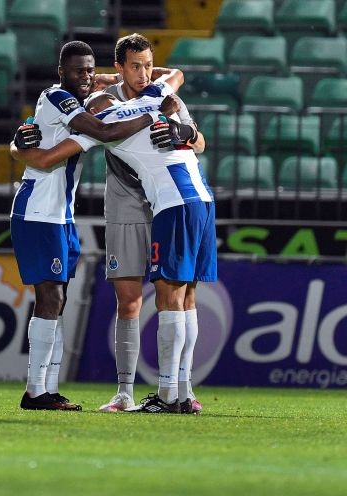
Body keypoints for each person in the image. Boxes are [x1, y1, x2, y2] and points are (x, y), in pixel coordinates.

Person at [13, 87, 217, 415]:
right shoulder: (147, 104)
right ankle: (169, 392)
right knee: (176, 295)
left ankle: (171, 393)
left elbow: (49, 156)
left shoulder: (110, 115)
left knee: (171, 295)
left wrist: (17, 149)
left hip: (169, 204)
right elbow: (175, 78)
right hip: (193, 199)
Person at [9, 41, 175, 411]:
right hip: (39, 213)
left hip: (60, 215)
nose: (84, 77)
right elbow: (104, 132)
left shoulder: (79, 100)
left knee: (58, 298)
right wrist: (152, 115)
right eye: (77, 71)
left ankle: (46, 388)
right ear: (61, 72)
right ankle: (35, 391)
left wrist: (104, 78)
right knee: (49, 298)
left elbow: (170, 75)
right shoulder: (58, 98)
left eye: (89, 70)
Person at [93, 34, 206, 414]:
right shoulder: (111, 99)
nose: (142, 74)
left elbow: (199, 142)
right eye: (134, 66)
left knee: (181, 293)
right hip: (128, 203)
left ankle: (178, 390)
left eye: (147, 65)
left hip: (168, 199)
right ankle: (125, 392)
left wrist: (186, 132)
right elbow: (92, 89)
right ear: (120, 68)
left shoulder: (164, 94)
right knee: (130, 301)